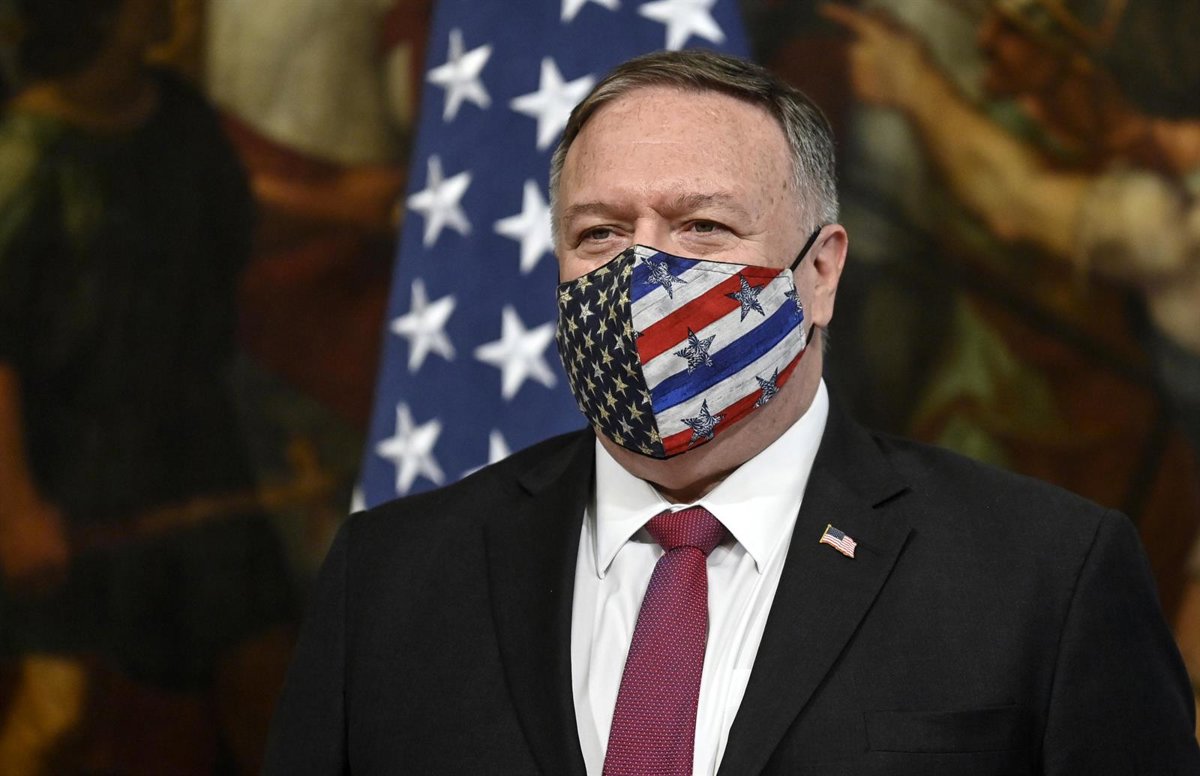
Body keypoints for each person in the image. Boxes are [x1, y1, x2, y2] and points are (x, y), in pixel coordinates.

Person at [264, 49, 1200, 774]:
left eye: (702, 227)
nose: (642, 273)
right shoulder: (389, 580)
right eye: (600, 233)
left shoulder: (1045, 576)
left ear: (821, 272)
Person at [0, 0, 295, 771]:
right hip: (71, 470)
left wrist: (350, 208)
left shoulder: (177, 118)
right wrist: (17, 509)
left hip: (198, 449)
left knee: (265, 683)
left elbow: (235, 216)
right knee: (60, 711)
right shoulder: (22, 158)